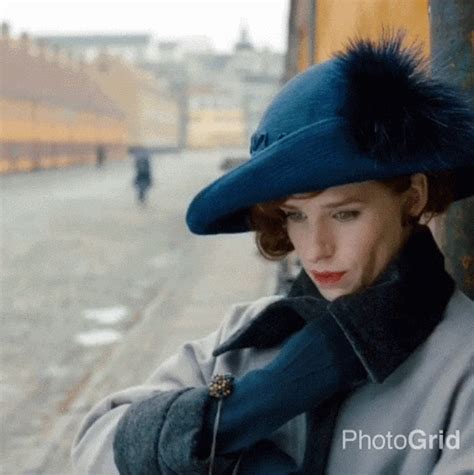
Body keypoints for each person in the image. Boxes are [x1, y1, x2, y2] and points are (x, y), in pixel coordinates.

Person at [71, 33, 474, 474]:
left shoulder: (463, 364)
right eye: (295, 216)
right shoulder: (248, 334)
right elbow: (95, 448)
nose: (316, 249)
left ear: (413, 197)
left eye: (344, 214)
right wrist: (250, 407)